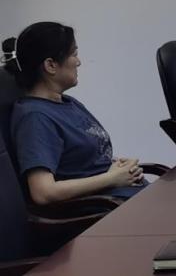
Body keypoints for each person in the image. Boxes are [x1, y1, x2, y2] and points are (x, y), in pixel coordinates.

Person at [1, 22, 145, 205]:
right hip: (105, 208)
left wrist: (119, 168)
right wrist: (111, 178)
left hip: (125, 197)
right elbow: (42, 192)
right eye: (74, 54)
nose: (78, 62)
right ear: (51, 65)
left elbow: (85, 163)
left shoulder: (67, 103)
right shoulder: (35, 118)